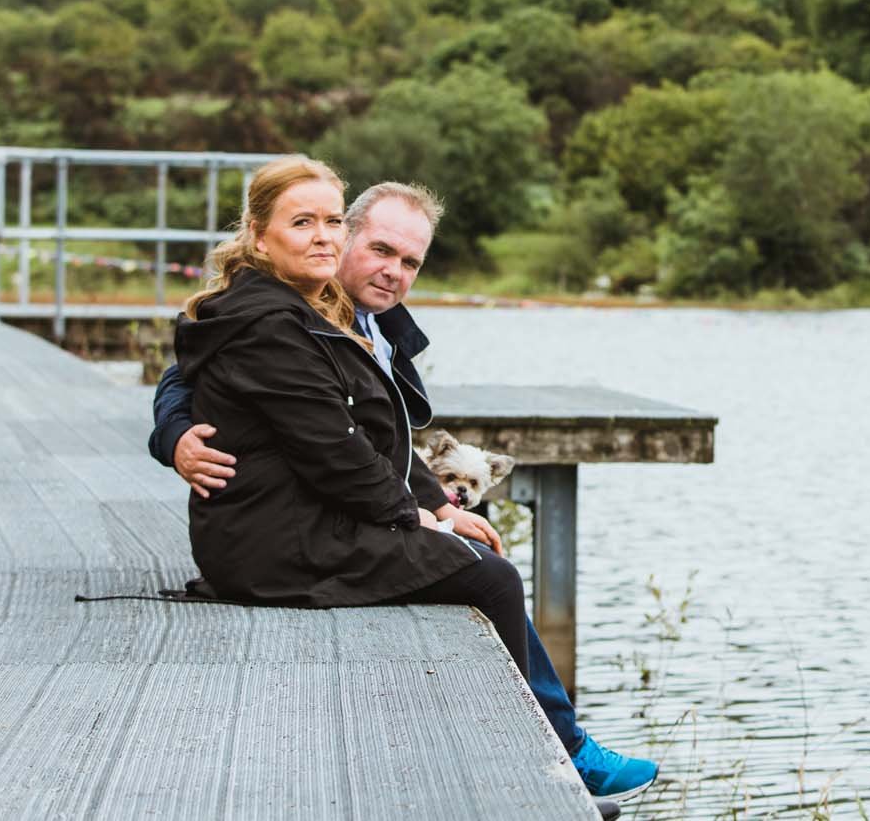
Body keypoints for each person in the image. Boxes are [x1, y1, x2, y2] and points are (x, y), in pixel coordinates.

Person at [158, 159, 656, 807]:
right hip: (278, 536)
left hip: (288, 516)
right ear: (263, 235)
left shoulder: (336, 315)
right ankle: (560, 757)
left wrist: (437, 503)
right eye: (378, 248)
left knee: (477, 561)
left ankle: (528, 753)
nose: (393, 270)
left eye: (410, 261)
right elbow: (325, 444)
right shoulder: (282, 317)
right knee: (490, 575)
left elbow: (375, 440)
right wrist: (417, 516)